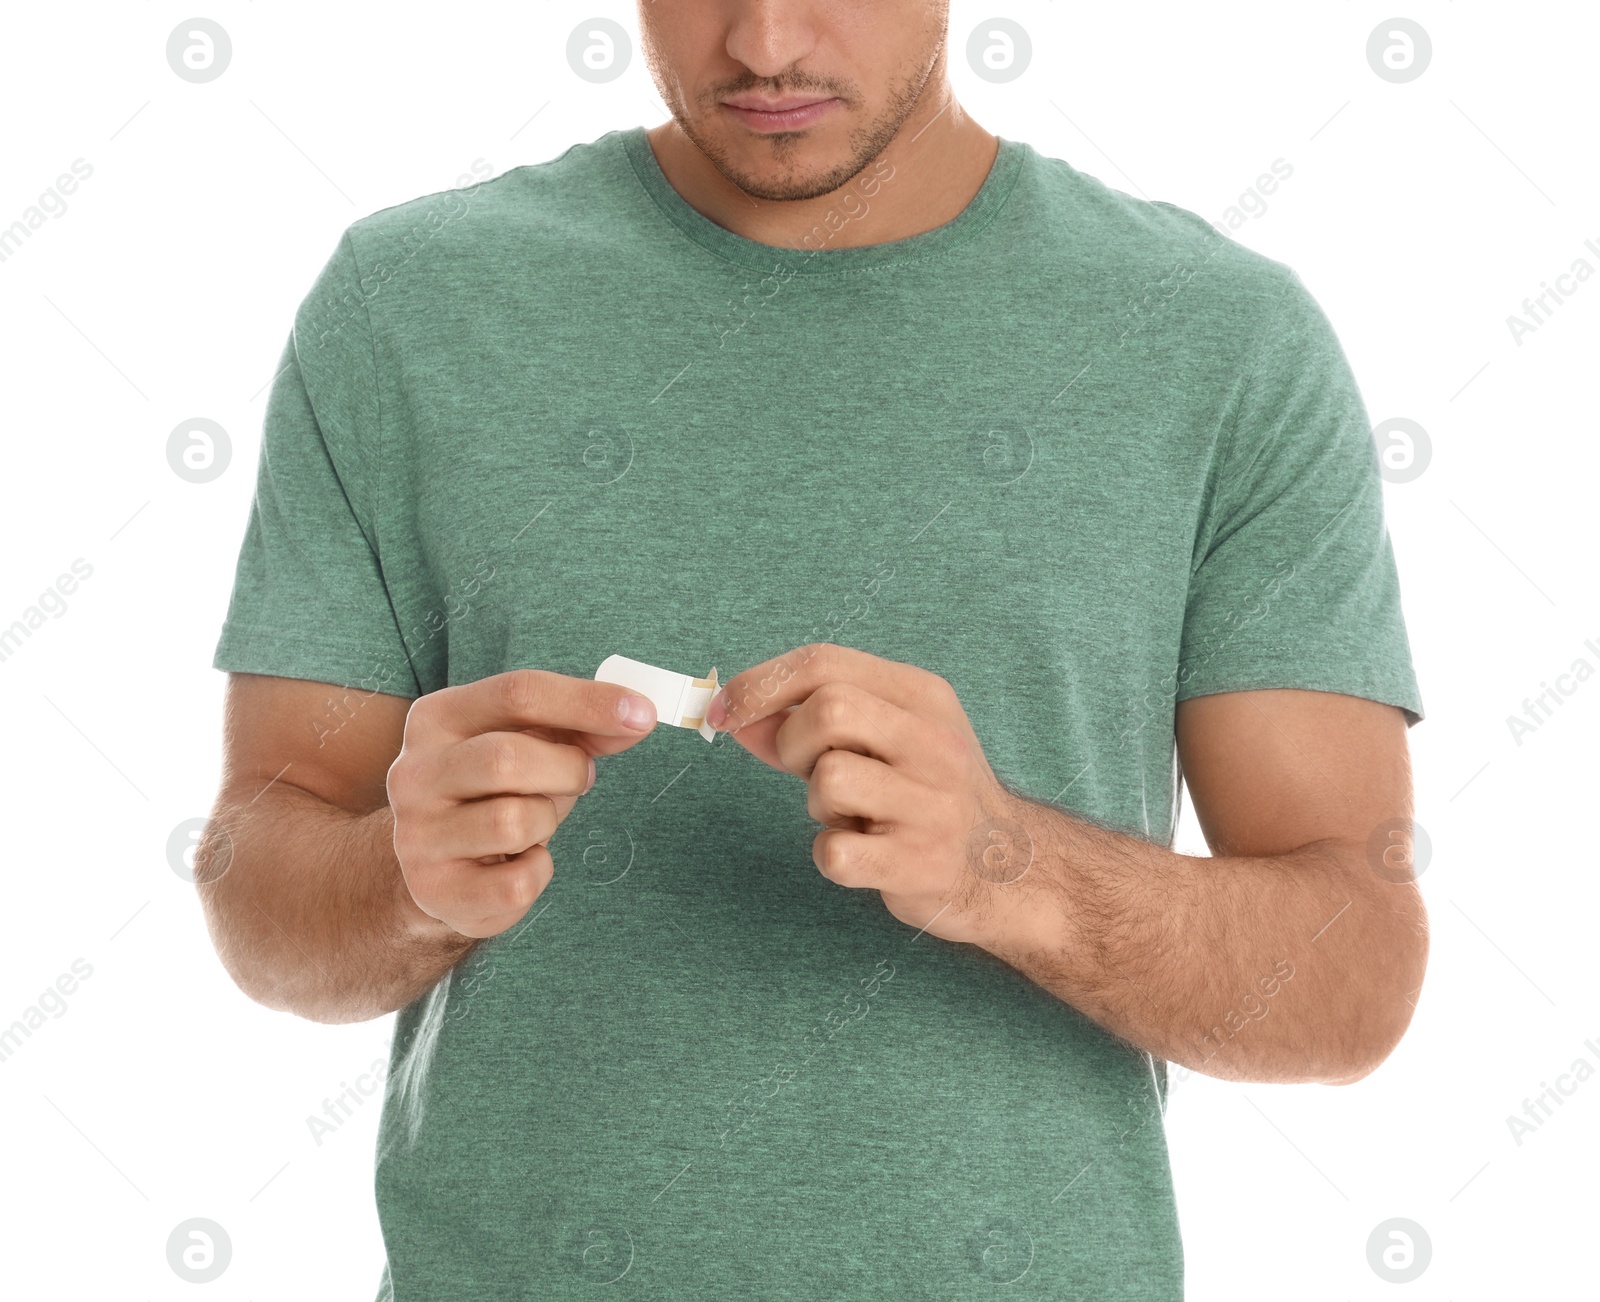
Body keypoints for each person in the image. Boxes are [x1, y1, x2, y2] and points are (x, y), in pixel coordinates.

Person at [198, 3, 1428, 1297]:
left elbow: (1354, 970)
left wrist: (1007, 863)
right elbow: (256, 863)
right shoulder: (408, 308)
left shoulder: (1219, 341)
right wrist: (399, 876)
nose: (767, 42)